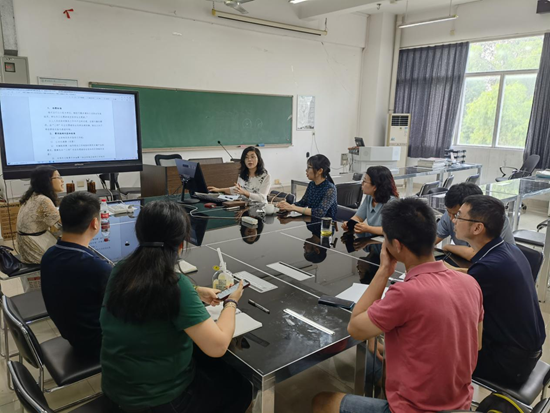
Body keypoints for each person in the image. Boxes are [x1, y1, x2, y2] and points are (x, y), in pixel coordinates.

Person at [312, 198, 484, 413]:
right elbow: (476, 343)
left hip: (418, 409)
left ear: (396, 245)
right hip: (460, 404)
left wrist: (384, 270)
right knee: (378, 355)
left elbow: (355, 327)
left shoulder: (406, 293)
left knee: (321, 401)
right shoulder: (470, 283)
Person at [100, 201, 252, 412]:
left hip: (115, 389)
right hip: (158, 401)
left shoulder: (121, 269)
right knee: (242, 388)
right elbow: (218, 347)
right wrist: (231, 302)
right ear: (181, 243)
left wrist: (197, 291)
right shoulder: (175, 285)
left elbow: (150, 290)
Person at [452, 195, 545, 385]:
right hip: (527, 352)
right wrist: (448, 270)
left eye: (459, 216)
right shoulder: (509, 250)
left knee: (434, 342)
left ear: (477, 228)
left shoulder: (488, 268)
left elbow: (453, 302)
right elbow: (474, 275)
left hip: (508, 364)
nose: (454, 220)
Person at [41, 192, 112, 360]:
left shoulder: (49, 255)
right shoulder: (97, 268)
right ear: (95, 223)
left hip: (73, 335)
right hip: (98, 344)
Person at [436, 182, 515, 260]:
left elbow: (477, 254)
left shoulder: (495, 218)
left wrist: (448, 247)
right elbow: (432, 239)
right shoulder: (451, 213)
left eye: (457, 215)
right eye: (449, 213)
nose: (452, 219)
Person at [16, 166, 64, 264]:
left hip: (26, 245)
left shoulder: (32, 196)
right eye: (58, 177)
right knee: (72, 254)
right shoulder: (43, 200)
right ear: (47, 181)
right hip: (34, 246)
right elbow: (63, 223)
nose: (62, 180)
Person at [342, 166, 398, 237]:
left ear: (375, 187)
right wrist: (349, 223)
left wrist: (368, 229)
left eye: (365, 181)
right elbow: (358, 217)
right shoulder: (370, 197)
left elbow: (391, 230)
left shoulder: (392, 203)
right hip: (371, 239)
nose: (362, 184)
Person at [277, 154, 337, 219]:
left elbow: (319, 212)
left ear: (320, 171)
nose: (306, 170)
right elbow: (302, 203)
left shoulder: (330, 189)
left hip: (325, 224)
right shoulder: (311, 184)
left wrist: (292, 208)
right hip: (311, 222)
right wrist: (287, 206)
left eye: (309, 167)